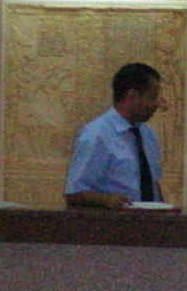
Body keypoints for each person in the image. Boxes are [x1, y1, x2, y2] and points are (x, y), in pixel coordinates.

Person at [64, 62, 167, 209]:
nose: (157, 104)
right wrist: (106, 200)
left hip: (149, 221)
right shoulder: (96, 135)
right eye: (152, 97)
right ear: (132, 96)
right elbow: (74, 194)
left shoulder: (147, 135)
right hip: (113, 222)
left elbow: (152, 184)